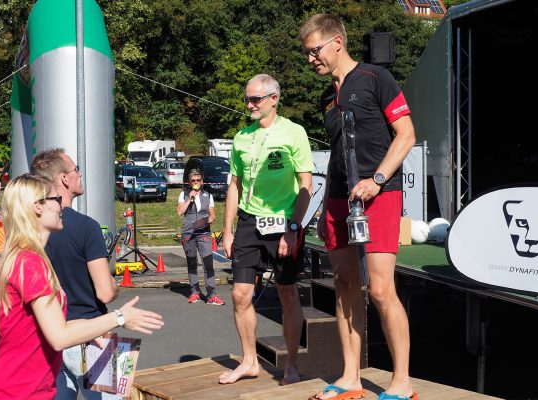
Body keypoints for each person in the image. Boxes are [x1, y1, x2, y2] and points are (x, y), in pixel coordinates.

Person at [299, 14, 417, 400]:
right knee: (345, 284)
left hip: (380, 194)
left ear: (337, 41)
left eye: (314, 50)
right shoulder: (325, 98)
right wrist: (322, 210)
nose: (310, 59)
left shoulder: (375, 78)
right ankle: (351, 377)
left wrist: (378, 179)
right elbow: (337, 155)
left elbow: (406, 135)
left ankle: (401, 383)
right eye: (306, 53)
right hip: (338, 199)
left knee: (381, 290)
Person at [0, 174, 164, 399]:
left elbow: (46, 326)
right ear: (38, 206)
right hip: (19, 392)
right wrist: (119, 317)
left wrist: (94, 328)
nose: (61, 206)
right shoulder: (30, 263)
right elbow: (59, 336)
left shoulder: (28, 258)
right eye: (56, 199)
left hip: (26, 390)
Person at [219, 74, 313, 386]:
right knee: (239, 293)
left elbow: (306, 185)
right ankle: (249, 361)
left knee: (286, 293)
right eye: (246, 99)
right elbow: (234, 186)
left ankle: (291, 366)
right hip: (248, 223)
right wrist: (227, 230)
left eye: (255, 99)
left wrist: (293, 228)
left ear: (273, 99)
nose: (249, 105)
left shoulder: (294, 132)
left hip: (284, 221)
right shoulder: (241, 137)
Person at [30, 148, 122, 400]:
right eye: (76, 170)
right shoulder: (87, 227)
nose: (79, 174)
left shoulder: (31, 229)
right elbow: (105, 293)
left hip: (50, 337)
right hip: (92, 335)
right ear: (63, 179)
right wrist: (115, 285)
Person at [176, 169, 225, 305]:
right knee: (192, 263)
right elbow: (180, 212)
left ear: (202, 182)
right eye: (193, 181)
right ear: (189, 182)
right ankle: (195, 292)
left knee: (208, 263)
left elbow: (213, 214)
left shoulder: (207, 195)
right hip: (188, 233)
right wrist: (189, 198)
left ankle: (211, 295)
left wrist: (211, 218)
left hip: (203, 232)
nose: (196, 182)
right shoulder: (184, 194)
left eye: (198, 180)